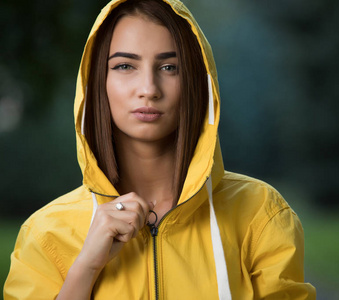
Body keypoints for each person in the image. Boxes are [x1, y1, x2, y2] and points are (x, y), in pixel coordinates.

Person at [4, 0, 316, 299]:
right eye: (125, 65)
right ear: (98, 81)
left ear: (196, 82)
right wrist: (86, 266)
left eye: (169, 67)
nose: (149, 89)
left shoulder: (260, 215)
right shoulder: (46, 234)